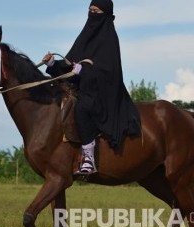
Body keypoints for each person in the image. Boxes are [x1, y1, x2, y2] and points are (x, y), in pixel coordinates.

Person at [42, 0, 141, 175]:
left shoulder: (110, 39)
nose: (92, 15)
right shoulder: (84, 37)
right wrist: (51, 64)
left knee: (82, 107)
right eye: (90, 11)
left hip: (104, 92)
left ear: (105, 15)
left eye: (96, 11)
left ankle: (89, 157)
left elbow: (110, 73)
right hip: (84, 88)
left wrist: (84, 71)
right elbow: (68, 65)